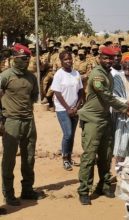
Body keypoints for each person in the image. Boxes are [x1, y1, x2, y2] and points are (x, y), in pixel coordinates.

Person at [77, 46, 129, 205]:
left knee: (106, 155)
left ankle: (103, 185)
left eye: (112, 58)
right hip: (92, 120)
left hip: (105, 118)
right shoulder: (97, 74)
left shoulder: (108, 73)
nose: (109, 61)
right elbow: (106, 96)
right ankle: (84, 190)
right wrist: (125, 108)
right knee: (89, 155)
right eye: (106, 58)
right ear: (99, 58)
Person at [0, 44, 43, 206]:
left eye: (27, 59)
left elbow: (34, 96)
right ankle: (9, 194)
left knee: (29, 157)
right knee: (9, 159)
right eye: (23, 59)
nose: (26, 62)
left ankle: (27, 190)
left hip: (29, 121)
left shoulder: (31, 77)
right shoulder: (5, 76)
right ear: (15, 59)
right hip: (11, 121)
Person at [51, 51, 84, 171]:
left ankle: (69, 157)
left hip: (74, 109)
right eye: (65, 59)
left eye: (70, 59)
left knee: (72, 135)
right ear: (61, 61)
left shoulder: (76, 73)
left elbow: (81, 91)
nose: (68, 61)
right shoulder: (59, 74)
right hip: (62, 109)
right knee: (68, 133)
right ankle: (65, 158)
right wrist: (67, 108)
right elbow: (57, 93)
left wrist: (76, 106)